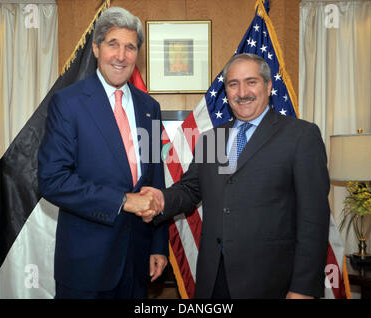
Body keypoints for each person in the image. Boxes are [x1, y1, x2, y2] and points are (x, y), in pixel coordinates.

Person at [134, 53, 331, 299]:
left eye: (251, 82)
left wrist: (303, 288)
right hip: (213, 278)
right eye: (233, 84)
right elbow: (190, 189)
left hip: (272, 282)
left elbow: (314, 219)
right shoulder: (211, 139)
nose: (242, 91)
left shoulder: (301, 136)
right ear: (226, 91)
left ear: (268, 86)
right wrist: (161, 199)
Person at [38, 7, 168, 299]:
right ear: (96, 48)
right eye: (113, 44)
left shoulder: (150, 108)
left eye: (130, 47)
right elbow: (52, 180)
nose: (121, 56)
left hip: (137, 262)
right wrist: (122, 201)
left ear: (138, 54)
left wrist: (158, 244)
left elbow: (154, 180)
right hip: (87, 267)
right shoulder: (68, 103)